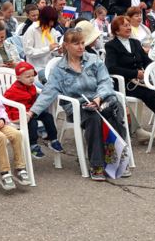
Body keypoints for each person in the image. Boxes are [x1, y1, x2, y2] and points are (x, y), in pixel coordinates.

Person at [32, 29, 129, 181]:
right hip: (78, 106)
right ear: (66, 45)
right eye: (76, 43)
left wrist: (98, 99)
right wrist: (32, 112)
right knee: (93, 117)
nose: (81, 47)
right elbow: (48, 93)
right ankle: (97, 164)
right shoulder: (59, 69)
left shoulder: (93, 60)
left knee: (114, 109)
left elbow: (105, 81)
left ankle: (114, 160)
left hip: (100, 100)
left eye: (82, 43)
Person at [106, 15, 155, 143]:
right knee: (152, 94)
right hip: (124, 84)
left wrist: (152, 71)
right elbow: (111, 68)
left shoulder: (135, 43)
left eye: (129, 25)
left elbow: (147, 61)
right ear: (116, 31)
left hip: (141, 81)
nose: (128, 27)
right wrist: (134, 73)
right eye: (125, 25)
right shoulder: (111, 45)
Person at [3, 62, 63, 160]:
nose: (31, 78)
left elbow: (33, 100)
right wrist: (10, 117)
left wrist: (34, 110)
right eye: (27, 77)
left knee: (48, 116)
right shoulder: (13, 91)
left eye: (32, 76)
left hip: (30, 111)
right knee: (32, 122)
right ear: (18, 78)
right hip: (17, 113)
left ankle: (53, 139)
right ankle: (33, 145)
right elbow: (5, 103)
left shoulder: (31, 86)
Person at [22, 5, 63, 78]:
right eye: (50, 21)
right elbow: (28, 52)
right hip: (36, 69)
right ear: (44, 19)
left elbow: (53, 51)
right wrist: (48, 48)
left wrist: (59, 51)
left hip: (50, 66)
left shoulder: (52, 31)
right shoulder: (32, 30)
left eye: (53, 21)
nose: (52, 24)